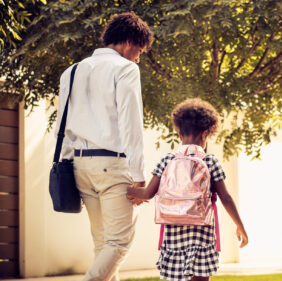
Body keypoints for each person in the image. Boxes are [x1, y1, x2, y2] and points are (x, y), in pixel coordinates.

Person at [54, 12, 153, 281]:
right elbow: (131, 125)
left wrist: (65, 164)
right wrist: (139, 177)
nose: (138, 57)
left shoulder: (71, 71)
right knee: (119, 244)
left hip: (79, 166)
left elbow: (61, 126)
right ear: (128, 41)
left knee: (103, 244)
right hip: (113, 165)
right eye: (140, 50)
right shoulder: (125, 69)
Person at [127, 98, 248, 281]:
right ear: (205, 133)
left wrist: (120, 189)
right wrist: (240, 226)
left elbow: (146, 194)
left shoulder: (167, 160)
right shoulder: (210, 161)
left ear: (178, 134)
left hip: (174, 237)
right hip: (202, 236)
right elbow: (226, 198)